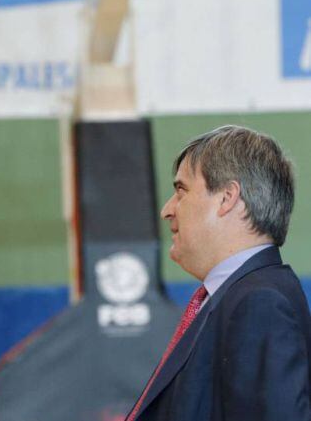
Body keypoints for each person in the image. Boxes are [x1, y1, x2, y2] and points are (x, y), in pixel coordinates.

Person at [126, 125, 311, 421]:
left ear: (227, 198)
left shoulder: (260, 304)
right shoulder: (235, 297)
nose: (167, 210)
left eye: (181, 190)